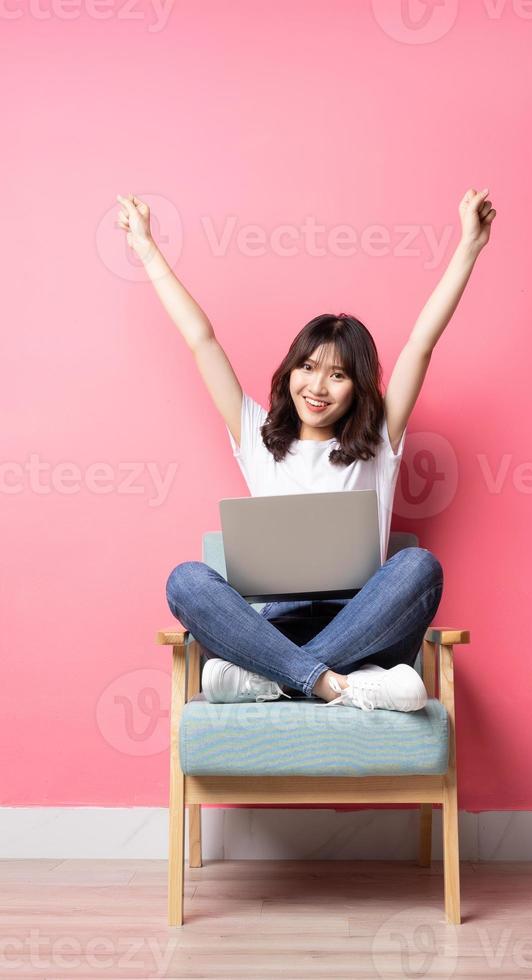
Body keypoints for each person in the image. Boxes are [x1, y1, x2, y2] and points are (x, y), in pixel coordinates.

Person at [115, 188, 496, 712]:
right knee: (186, 581)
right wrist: (148, 250)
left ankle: (278, 681)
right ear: (290, 371)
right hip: (275, 627)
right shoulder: (257, 435)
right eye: (308, 368)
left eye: (338, 375)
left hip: (364, 622)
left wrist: (469, 247)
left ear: (358, 388)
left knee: (419, 566)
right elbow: (201, 340)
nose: (318, 386)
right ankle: (335, 685)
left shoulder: (380, 438)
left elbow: (421, 344)